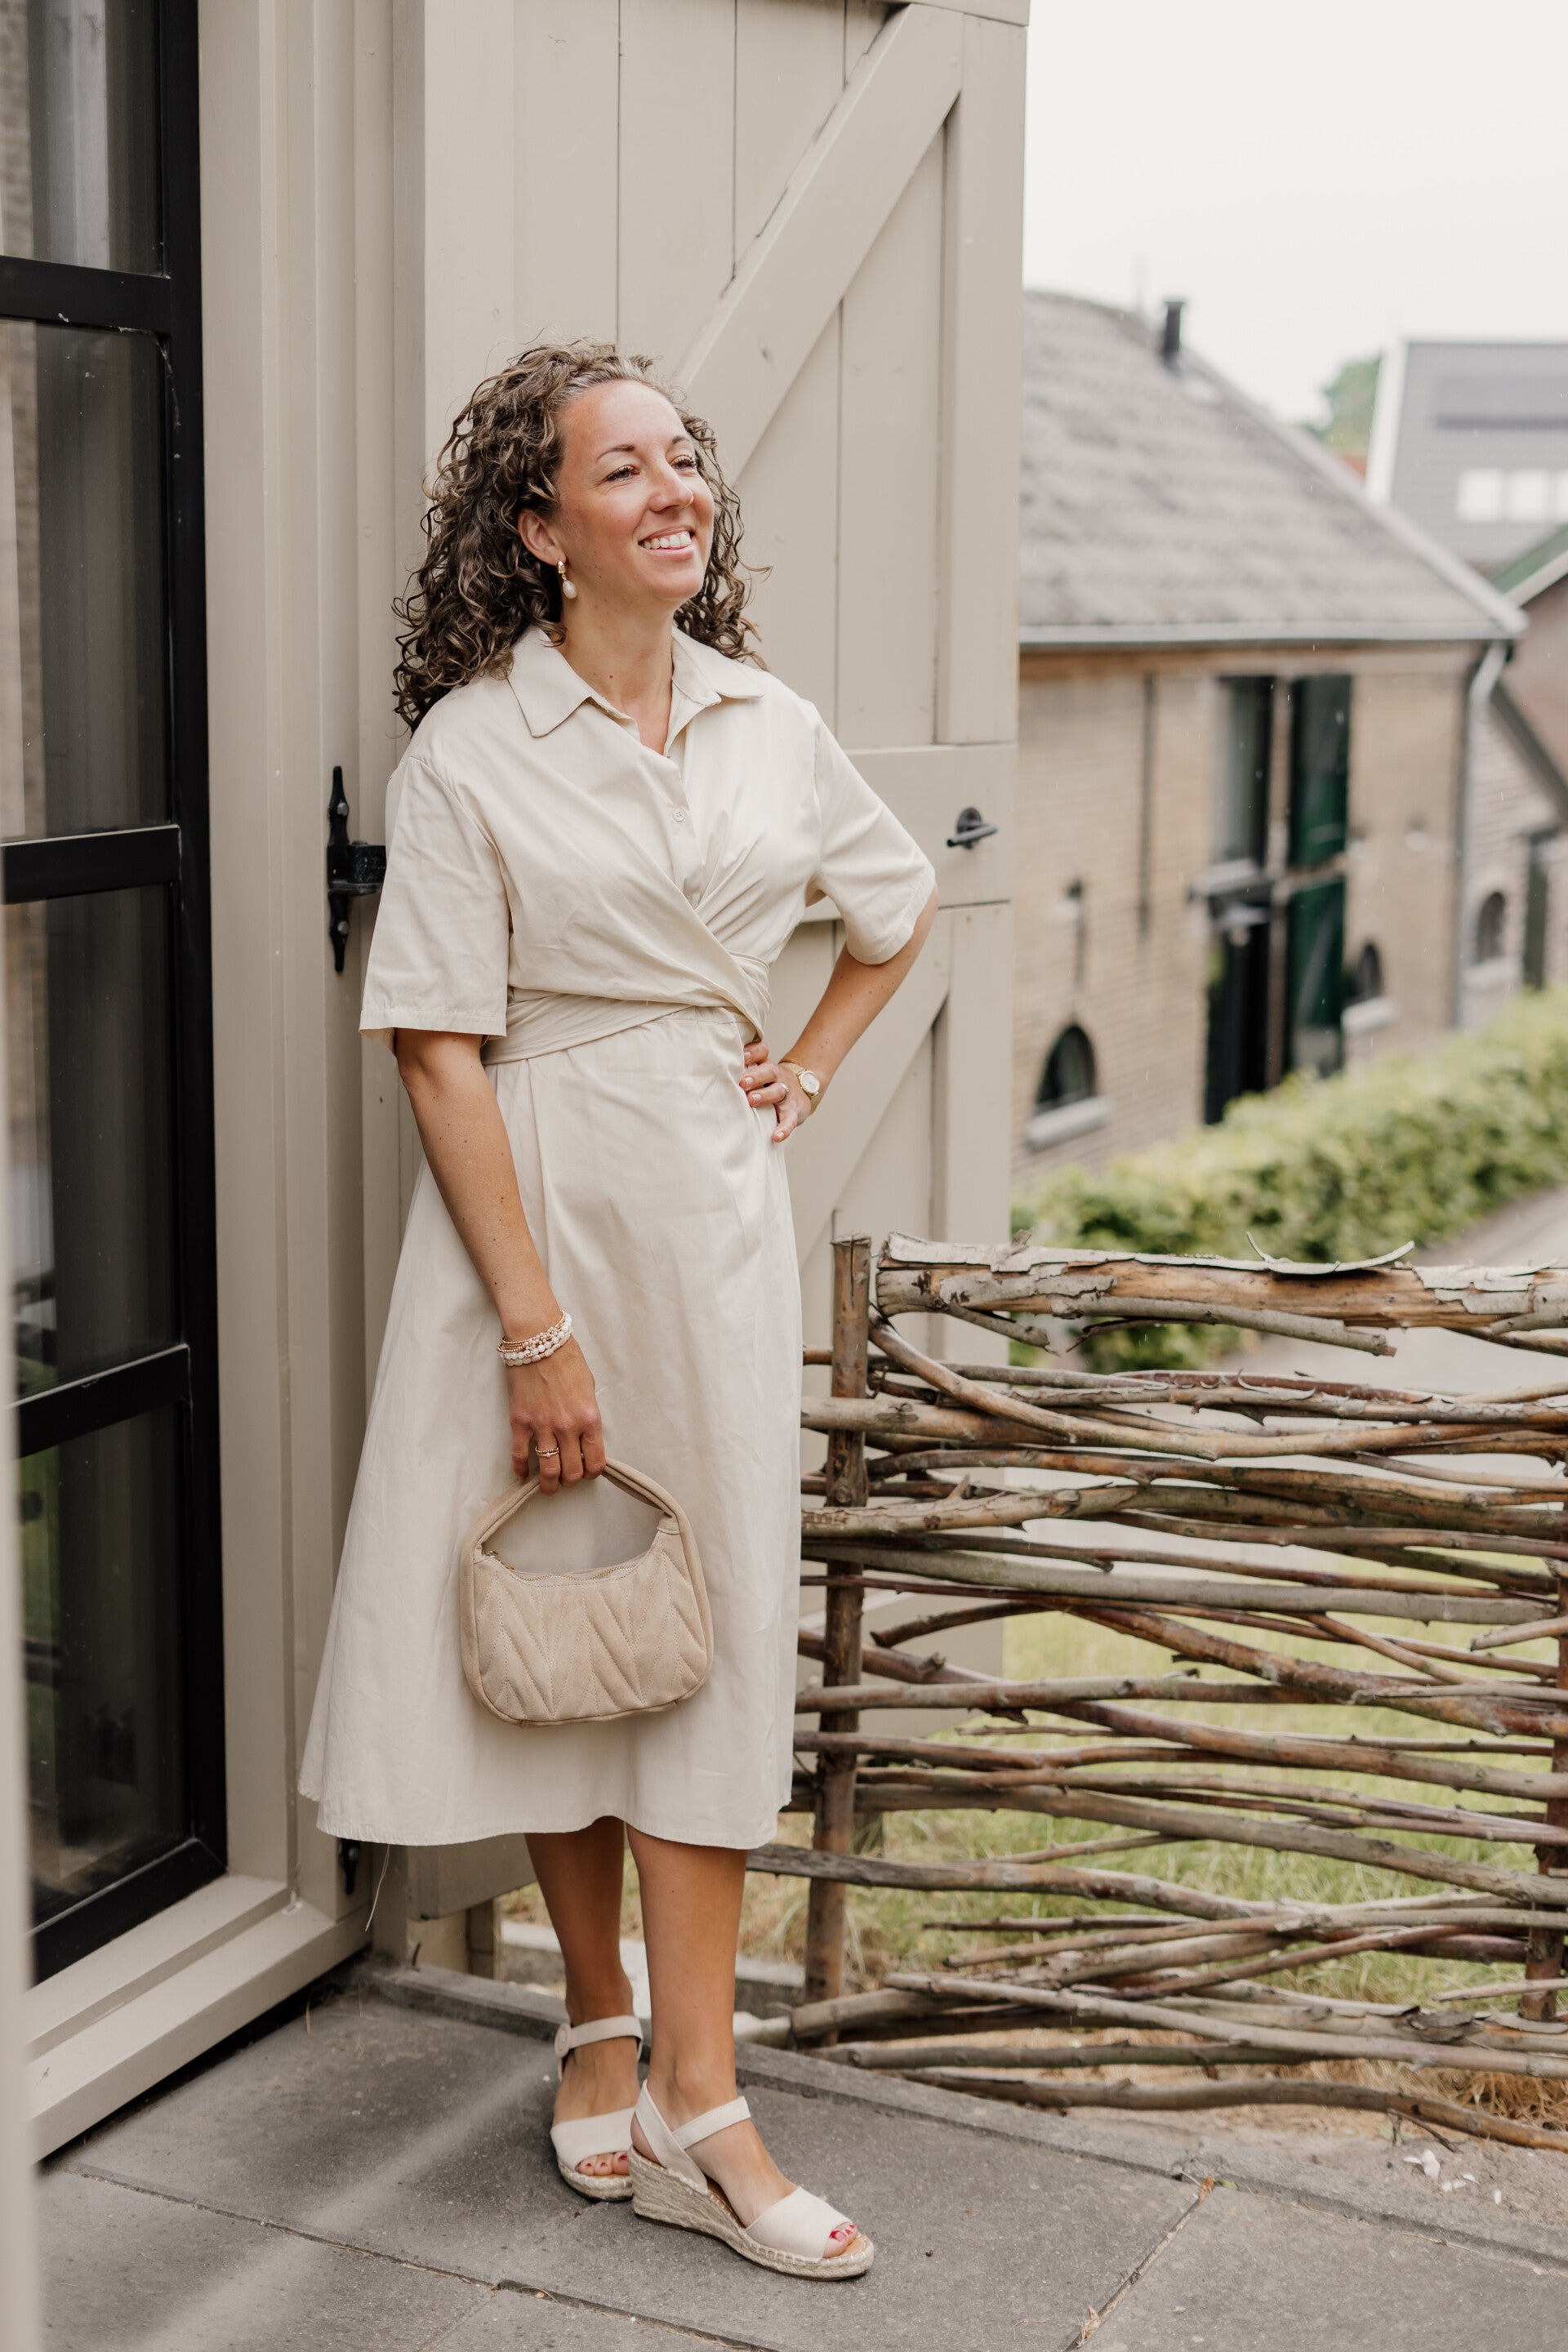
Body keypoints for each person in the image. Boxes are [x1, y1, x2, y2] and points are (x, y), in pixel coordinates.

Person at [300, 342, 938, 2279]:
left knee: (700, 1637)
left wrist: (803, 1065)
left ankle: (696, 2097)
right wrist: (533, 1329)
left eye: (687, 460)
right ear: (539, 525)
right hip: (536, 1218)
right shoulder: (473, 746)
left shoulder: (769, 722)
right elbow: (435, 1048)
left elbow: (894, 906)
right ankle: (603, 2016)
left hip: (710, 1226)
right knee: (571, 1616)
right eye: (626, 467)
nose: (676, 491)